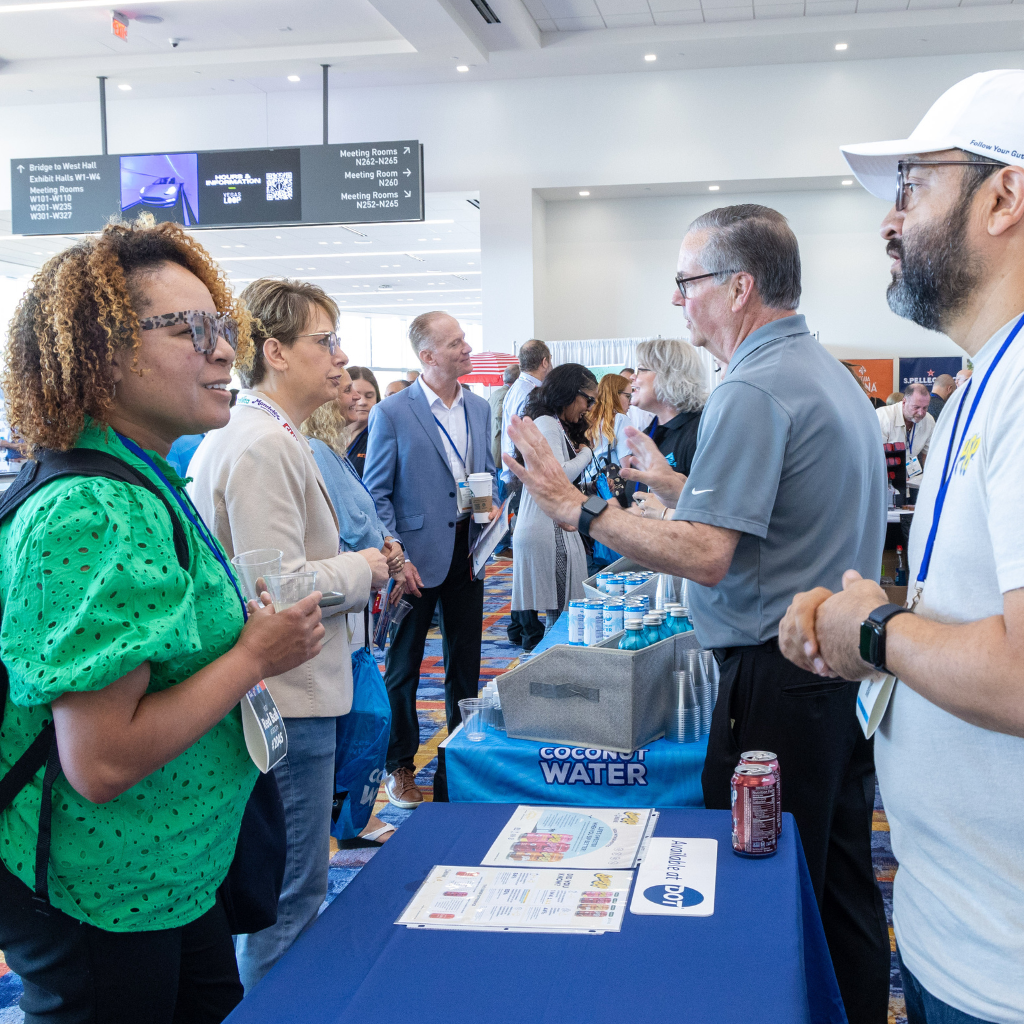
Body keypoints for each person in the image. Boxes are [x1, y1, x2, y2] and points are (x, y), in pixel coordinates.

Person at [505, 204, 889, 1023]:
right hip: (833, 674)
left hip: (776, 677)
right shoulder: (822, 372)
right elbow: (771, 517)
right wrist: (671, 489)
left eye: (687, 282)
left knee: (765, 889)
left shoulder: (753, 386)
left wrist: (581, 511)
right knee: (839, 880)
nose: (678, 301)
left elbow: (710, 555)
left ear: (739, 286)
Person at [0, 221, 326, 1023]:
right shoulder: (96, 505)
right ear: (99, 352)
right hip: (104, 887)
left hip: (170, 874)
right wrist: (254, 654)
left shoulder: (141, 477)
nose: (223, 352)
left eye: (224, 328)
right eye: (189, 330)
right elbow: (102, 763)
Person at [781, 69, 1024, 1024]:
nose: (890, 224)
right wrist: (868, 622)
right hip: (958, 925)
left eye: (913, 188)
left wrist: (877, 633)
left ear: (1003, 197)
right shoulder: (983, 381)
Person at [188, 278, 388, 991]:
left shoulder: (269, 436)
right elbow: (274, 589)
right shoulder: (261, 445)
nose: (340, 359)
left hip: (291, 694)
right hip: (287, 698)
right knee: (287, 900)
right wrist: (362, 567)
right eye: (323, 341)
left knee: (286, 888)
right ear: (273, 351)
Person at [364, 311, 499, 810]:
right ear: (428, 356)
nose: (467, 348)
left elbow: (480, 473)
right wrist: (395, 554)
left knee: (465, 663)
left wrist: (494, 501)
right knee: (403, 668)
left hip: (470, 550)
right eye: (456, 342)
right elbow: (374, 494)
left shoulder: (481, 408)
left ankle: (459, 758)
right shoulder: (393, 413)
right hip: (413, 561)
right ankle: (400, 766)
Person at [509, 364, 597, 651]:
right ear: (571, 393)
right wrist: (587, 453)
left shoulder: (550, 421)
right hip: (550, 528)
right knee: (561, 618)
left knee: (558, 617)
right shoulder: (547, 422)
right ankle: (549, 681)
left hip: (550, 524)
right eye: (588, 399)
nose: (589, 407)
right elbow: (559, 475)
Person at [499, 338, 551, 486]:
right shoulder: (533, 393)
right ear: (545, 362)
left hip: (512, 472)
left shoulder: (515, 388)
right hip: (524, 475)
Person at [877, 382, 933, 502]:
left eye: (925, 408)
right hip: (884, 485)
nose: (921, 413)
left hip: (912, 484)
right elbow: (876, 457)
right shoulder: (883, 417)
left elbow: (928, 455)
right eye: (916, 407)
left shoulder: (928, 421)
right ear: (904, 402)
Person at [345, 367, 381, 478]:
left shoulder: (380, 437)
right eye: (356, 395)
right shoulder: (324, 435)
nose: (362, 402)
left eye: (369, 396)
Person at [490, 362, 521, 474]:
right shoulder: (507, 395)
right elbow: (501, 420)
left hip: (493, 448)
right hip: (501, 450)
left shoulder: (495, 393)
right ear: (518, 379)